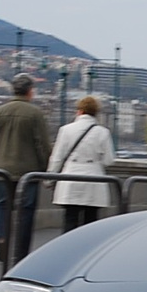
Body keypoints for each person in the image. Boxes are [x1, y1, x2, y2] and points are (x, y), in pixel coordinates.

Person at [0, 73, 51, 263]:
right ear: (30, 91)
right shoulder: (35, 114)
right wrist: (46, 171)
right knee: (26, 211)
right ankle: (21, 251)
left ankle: (2, 237)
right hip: (29, 172)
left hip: (3, 169)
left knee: (3, 205)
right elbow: (42, 144)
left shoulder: (0, 112)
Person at [49, 95, 115, 233]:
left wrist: (50, 177)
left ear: (79, 111)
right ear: (95, 113)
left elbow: (57, 157)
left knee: (70, 219)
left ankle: (68, 250)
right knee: (90, 223)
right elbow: (109, 160)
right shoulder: (103, 132)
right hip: (94, 178)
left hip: (71, 176)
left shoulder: (66, 130)